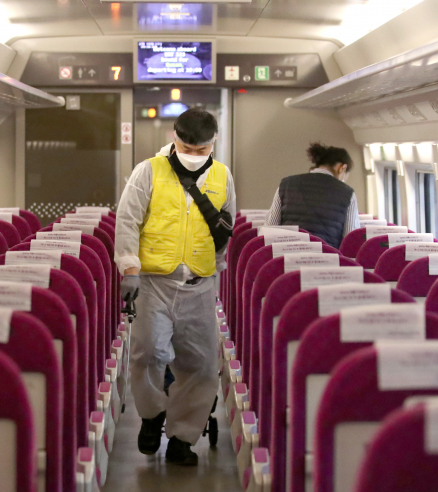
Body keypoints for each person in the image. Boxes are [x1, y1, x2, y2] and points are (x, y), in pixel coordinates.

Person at [114, 108, 235, 466]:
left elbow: (225, 227)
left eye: (202, 151)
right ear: (174, 138)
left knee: (199, 365)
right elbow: (127, 221)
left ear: (213, 144)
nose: (195, 156)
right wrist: (129, 268)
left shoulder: (223, 175)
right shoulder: (147, 171)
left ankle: (183, 436)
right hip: (154, 281)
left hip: (199, 284)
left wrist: (217, 273)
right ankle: (151, 415)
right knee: (149, 353)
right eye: (187, 148)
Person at [264, 143, 360, 249]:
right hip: (328, 261)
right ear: (342, 168)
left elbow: (269, 228)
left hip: (287, 258)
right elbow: (351, 240)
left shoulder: (286, 184)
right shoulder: (348, 193)